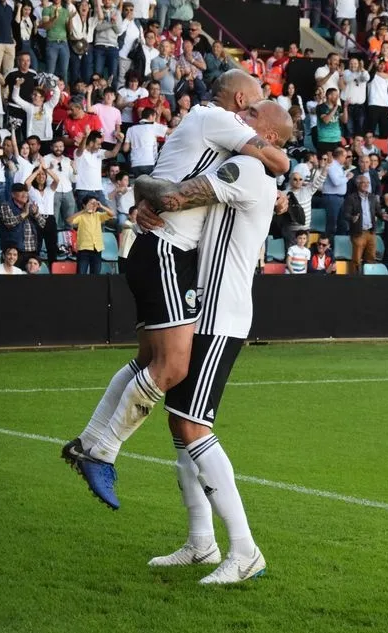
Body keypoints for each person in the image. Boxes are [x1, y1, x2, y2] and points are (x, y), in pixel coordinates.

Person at [61, 73, 289, 512]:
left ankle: (88, 441)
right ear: (241, 100)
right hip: (167, 249)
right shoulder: (218, 119)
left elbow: (173, 180)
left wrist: (145, 192)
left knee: (148, 361)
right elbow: (277, 163)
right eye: (256, 103)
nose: (252, 112)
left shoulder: (214, 135)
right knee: (172, 366)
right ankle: (101, 451)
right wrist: (150, 195)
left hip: (161, 249)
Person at [124, 107, 291, 585]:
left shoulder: (248, 166)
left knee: (194, 426)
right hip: (206, 311)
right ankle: (201, 542)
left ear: (267, 134)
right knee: (180, 426)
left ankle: (244, 550)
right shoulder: (239, 167)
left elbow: (176, 197)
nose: (243, 115)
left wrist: (144, 192)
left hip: (222, 314)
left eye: (253, 114)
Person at [0, 183, 47, 264]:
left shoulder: (31, 207)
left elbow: (43, 224)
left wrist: (36, 214)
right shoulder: (6, 206)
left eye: (26, 191)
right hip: (14, 252)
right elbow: (9, 223)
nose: (25, 194)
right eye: (21, 191)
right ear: (13, 194)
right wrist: (24, 213)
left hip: (32, 251)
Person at [67, 195, 114, 274]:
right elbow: (69, 220)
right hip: (83, 250)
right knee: (81, 275)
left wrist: (101, 206)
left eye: (95, 204)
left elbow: (112, 214)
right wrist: (84, 210)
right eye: (91, 204)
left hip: (97, 249)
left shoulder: (98, 215)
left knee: (95, 276)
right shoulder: (81, 216)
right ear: (84, 205)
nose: (93, 206)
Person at [344, 172, 380, 274]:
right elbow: (345, 214)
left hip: (371, 232)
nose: (366, 185)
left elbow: (378, 211)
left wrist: (383, 216)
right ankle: (356, 280)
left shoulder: (372, 197)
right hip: (358, 232)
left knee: (371, 257)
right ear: (357, 184)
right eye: (363, 182)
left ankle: (370, 278)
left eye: (367, 183)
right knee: (357, 259)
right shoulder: (351, 198)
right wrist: (352, 218)